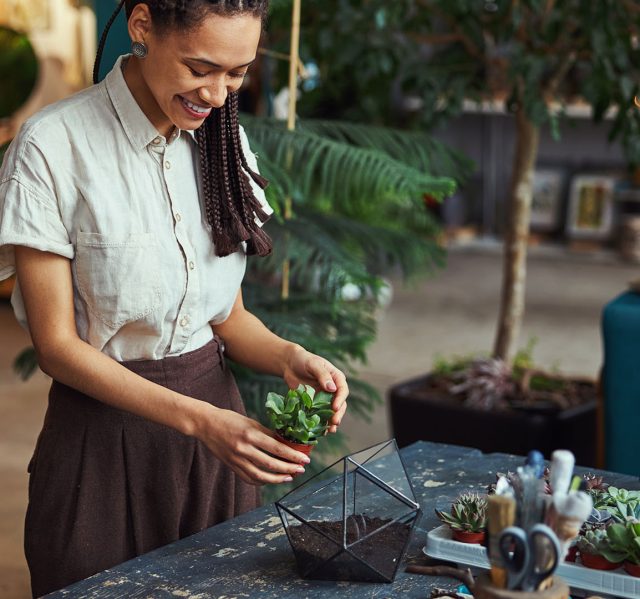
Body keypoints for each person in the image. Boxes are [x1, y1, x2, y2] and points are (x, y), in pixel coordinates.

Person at [0, 1, 349, 596]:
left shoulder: (223, 144)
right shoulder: (52, 147)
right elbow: (57, 347)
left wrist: (288, 356)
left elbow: (228, 319)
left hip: (215, 453)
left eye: (237, 73)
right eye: (200, 67)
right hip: (101, 451)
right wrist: (204, 422)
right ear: (141, 29)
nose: (217, 93)